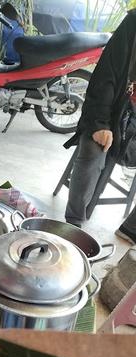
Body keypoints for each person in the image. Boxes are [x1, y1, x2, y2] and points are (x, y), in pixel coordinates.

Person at [64, 9, 136, 245]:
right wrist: (100, 123)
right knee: (95, 149)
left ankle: (131, 227)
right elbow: (106, 75)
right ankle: (72, 224)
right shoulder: (133, 23)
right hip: (114, 113)